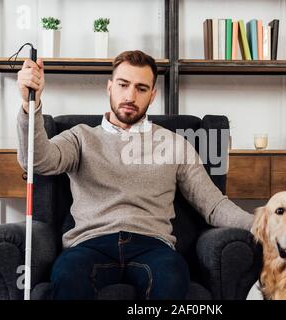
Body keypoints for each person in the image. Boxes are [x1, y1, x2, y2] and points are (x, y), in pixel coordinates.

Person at [16, 50, 254, 300]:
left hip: (153, 246)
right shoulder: (81, 137)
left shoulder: (175, 145)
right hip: (89, 244)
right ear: (109, 87)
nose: (130, 96)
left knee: (173, 275)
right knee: (67, 275)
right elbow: (36, 160)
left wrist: (262, 224)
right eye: (123, 85)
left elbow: (213, 205)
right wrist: (29, 105)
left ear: (153, 95)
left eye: (141, 88)